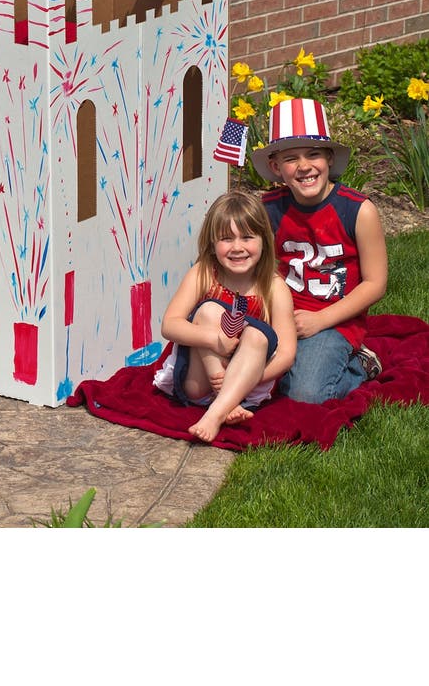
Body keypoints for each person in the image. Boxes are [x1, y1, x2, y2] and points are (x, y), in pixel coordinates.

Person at [254, 97, 388, 404]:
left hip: (335, 321)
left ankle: (359, 365)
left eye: (313, 154)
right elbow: (259, 269)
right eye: (291, 159)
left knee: (306, 394)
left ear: (328, 158)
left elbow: (375, 284)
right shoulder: (268, 210)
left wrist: (321, 320)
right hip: (280, 315)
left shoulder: (358, 210)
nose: (303, 166)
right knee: (237, 372)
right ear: (276, 167)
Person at [155, 190, 297, 443]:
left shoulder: (274, 287)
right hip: (199, 381)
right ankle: (223, 404)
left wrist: (245, 379)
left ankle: (215, 413)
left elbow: (286, 354)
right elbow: (169, 325)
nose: (237, 247)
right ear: (212, 243)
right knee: (210, 311)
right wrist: (214, 340)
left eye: (247, 237)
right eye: (226, 239)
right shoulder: (204, 273)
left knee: (257, 335)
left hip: (247, 386)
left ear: (265, 240)